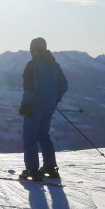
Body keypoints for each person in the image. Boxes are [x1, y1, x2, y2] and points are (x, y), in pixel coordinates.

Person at [18, 37, 68, 181]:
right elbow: (64, 86)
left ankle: (32, 169)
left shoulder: (32, 65)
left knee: (30, 137)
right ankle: (50, 167)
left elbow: (30, 88)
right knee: (44, 135)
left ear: (33, 49)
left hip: (33, 108)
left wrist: (25, 104)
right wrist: (56, 99)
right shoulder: (55, 65)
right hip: (49, 108)